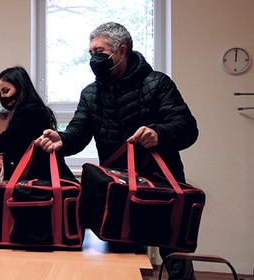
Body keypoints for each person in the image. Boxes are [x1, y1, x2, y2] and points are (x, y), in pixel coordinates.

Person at [35, 22, 198, 280]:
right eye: (90, 53)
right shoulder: (90, 93)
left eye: (99, 51)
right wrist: (62, 140)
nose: (93, 59)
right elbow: (79, 132)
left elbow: (188, 128)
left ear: (121, 51)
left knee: (176, 260)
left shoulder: (158, 84)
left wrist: (158, 133)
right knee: (122, 262)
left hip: (163, 187)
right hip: (119, 189)